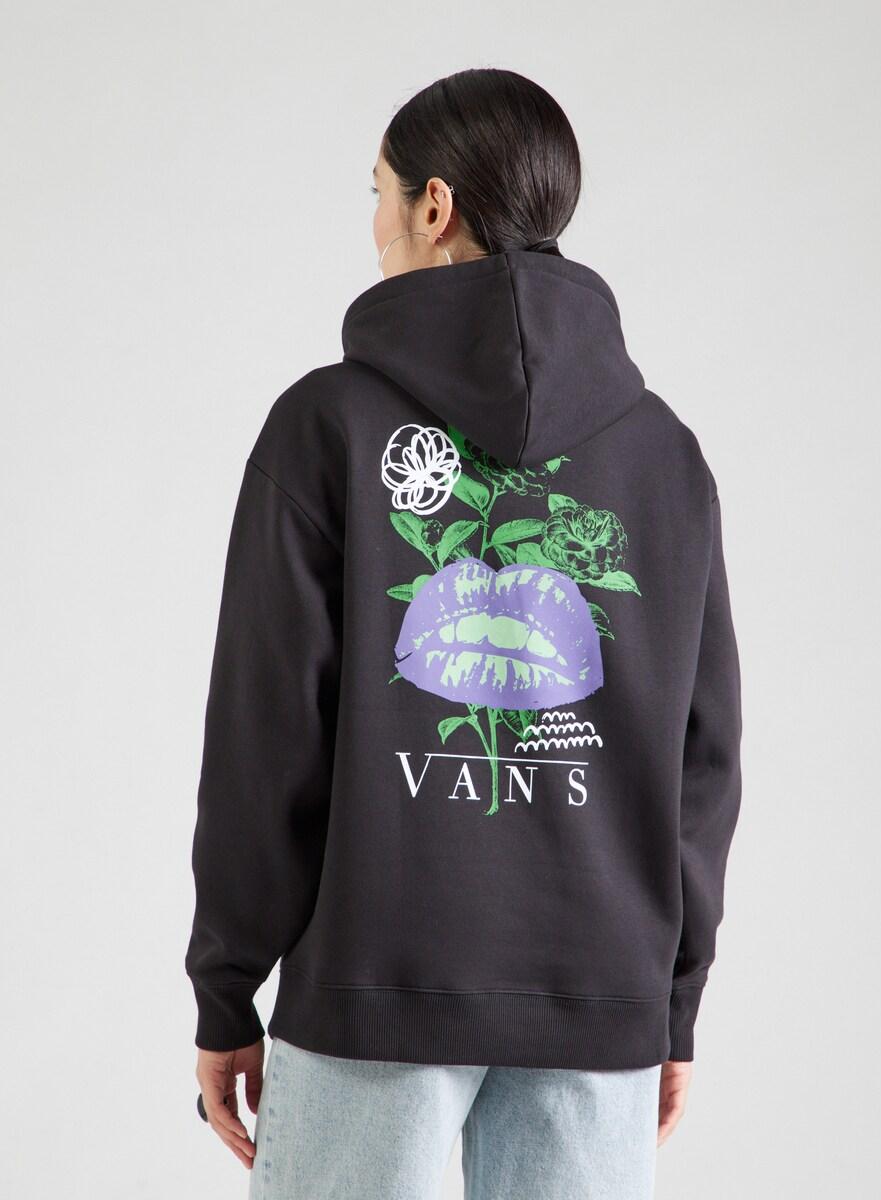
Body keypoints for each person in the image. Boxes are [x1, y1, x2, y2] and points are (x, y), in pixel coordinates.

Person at [185, 67, 742, 1200]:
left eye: (379, 192)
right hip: (599, 999)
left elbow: (265, 734)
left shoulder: (326, 427)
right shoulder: (664, 455)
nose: (375, 221)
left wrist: (226, 989)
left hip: (373, 986)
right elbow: (704, 758)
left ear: (432, 206)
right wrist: (669, 1003)